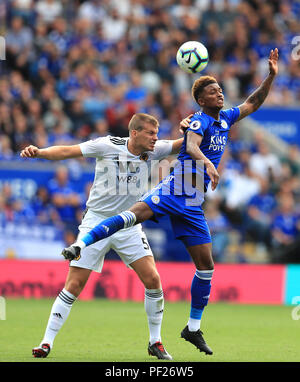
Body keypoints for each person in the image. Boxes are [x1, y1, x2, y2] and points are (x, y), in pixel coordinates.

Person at [62, 49, 279, 355]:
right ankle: (81, 246)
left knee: (206, 266)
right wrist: (207, 163)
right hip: (175, 187)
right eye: (213, 91)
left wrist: (270, 76)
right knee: (131, 215)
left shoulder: (227, 117)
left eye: (220, 89)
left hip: (192, 200)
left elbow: (253, 102)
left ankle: (192, 329)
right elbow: (190, 146)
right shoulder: (198, 121)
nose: (220, 94)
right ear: (201, 100)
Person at [20, 112, 188, 360]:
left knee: (153, 279)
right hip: (96, 222)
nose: (156, 138)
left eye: (157, 133)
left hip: (128, 224)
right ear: (135, 133)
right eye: (151, 133)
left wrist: (193, 125)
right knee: (74, 285)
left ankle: (156, 342)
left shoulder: (156, 149)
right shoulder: (106, 145)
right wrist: (40, 152)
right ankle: (46, 342)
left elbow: (184, 142)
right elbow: (67, 152)